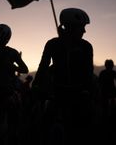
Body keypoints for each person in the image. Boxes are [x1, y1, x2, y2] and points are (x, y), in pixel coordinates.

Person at [32, 8, 94, 144]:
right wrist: (36, 85)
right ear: (71, 27)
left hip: (78, 93)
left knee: (83, 130)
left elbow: (88, 72)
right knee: (44, 127)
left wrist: (89, 91)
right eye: (81, 27)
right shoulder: (53, 44)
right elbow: (43, 67)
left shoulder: (86, 46)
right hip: (57, 93)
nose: (84, 31)